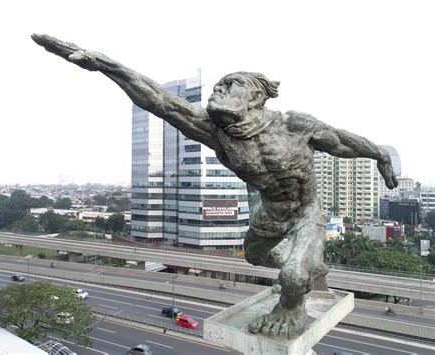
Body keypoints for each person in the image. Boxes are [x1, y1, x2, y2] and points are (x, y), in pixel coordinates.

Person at [32, 34, 398, 338]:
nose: (218, 89)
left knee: (292, 274)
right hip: (268, 207)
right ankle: (306, 268)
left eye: (230, 84)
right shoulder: (216, 132)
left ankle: (292, 304)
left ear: (255, 97)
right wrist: (105, 65)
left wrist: (380, 154)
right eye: (218, 85)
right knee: (255, 256)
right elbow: (159, 100)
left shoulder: (294, 124)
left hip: (305, 210)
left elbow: (342, 141)